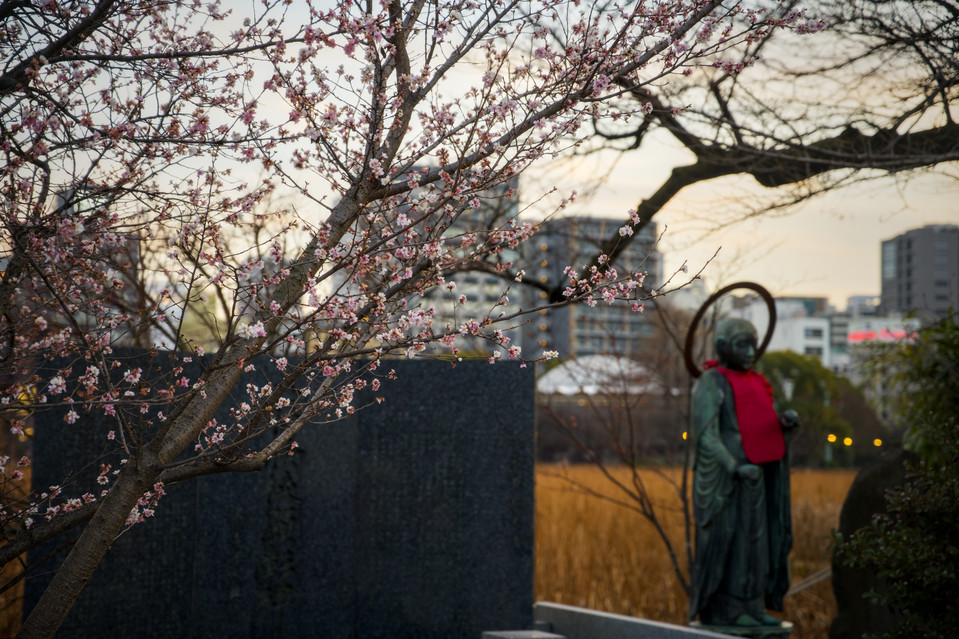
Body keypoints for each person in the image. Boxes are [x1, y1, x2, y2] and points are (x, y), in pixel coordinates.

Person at [689, 318, 799, 627]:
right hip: (728, 479)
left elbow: (760, 424)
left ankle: (754, 603)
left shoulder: (755, 381)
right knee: (732, 542)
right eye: (741, 345)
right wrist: (733, 467)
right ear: (723, 347)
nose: (750, 352)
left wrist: (783, 425)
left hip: (758, 475)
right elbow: (706, 435)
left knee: (758, 542)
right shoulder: (711, 382)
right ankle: (728, 609)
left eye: (753, 344)